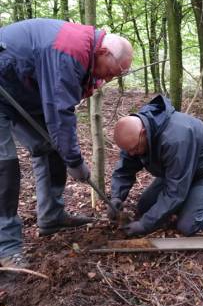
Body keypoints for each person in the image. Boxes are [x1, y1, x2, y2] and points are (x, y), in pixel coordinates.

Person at [0, 18, 133, 267]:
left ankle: (51, 216)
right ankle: (6, 247)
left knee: (50, 148)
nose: (110, 79)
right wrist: (75, 161)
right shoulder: (68, 53)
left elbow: (68, 99)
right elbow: (59, 112)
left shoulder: (87, 53)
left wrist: (68, 155)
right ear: (103, 52)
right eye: (112, 72)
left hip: (22, 90)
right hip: (4, 87)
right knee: (4, 166)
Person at [108, 94, 203, 237]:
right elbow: (125, 168)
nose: (132, 154)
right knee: (145, 206)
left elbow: (175, 191)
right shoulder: (135, 138)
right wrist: (116, 197)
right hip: (181, 171)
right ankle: (192, 202)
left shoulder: (176, 138)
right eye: (128, 150)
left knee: (188, 225)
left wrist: (144, 225)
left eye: (134, 149)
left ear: (143, 133)